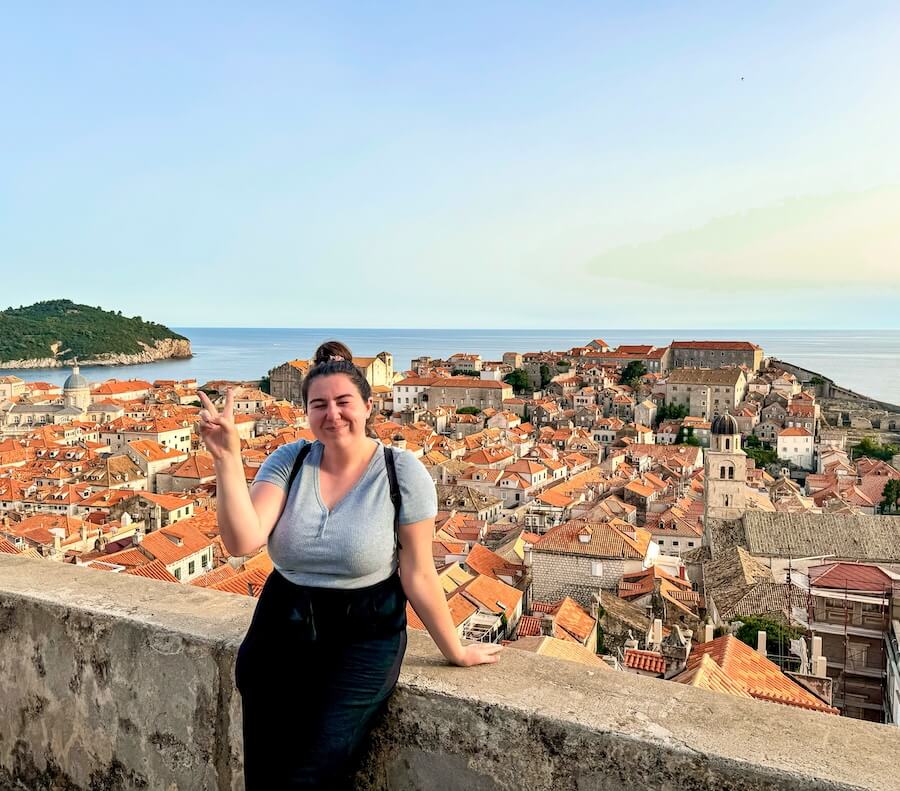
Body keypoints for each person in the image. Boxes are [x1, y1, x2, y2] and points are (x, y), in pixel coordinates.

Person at [198, 341, 501, 789]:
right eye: (319, 404)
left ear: (368, 406)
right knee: (265, 775)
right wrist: (226, 459)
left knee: (311, 773)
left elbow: (417, 574)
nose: (332, 414)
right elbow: (243, 539)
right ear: (305, 412)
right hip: (279, 630)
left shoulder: (402, 473)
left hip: (363, 636)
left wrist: (454, 649)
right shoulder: (290, 461)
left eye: (343, 402)